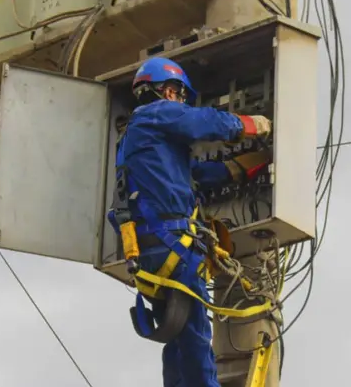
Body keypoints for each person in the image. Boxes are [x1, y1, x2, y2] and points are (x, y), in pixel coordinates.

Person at [113, 56, 272, 387]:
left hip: (153, 251)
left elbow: (195, 176)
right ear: (169, 91)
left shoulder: (140, 139)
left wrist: (241, 167)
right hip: (175, 246)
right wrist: (250, 124)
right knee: (197, 340)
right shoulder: (157, 114)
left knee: (179, 341)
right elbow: (204, 122)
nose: (181, 103)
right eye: (180, 96)